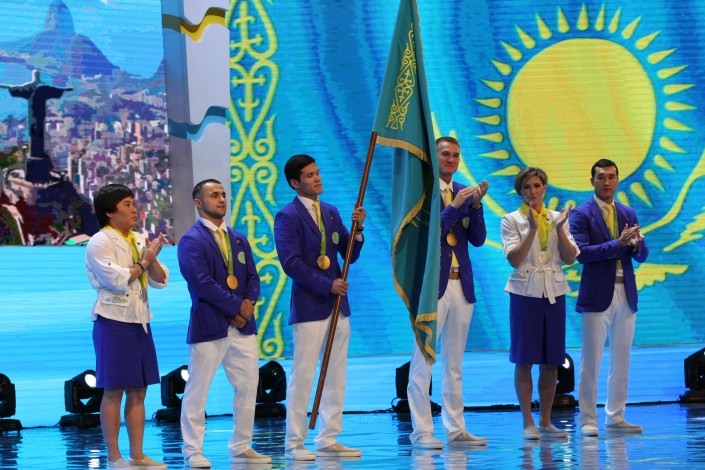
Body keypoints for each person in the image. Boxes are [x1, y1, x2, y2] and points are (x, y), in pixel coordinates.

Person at [273, 154, 366, 461]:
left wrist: (358, 230)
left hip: (338, 305)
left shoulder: (330, 211)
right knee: (303, 373)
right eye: (310, 175)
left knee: (336, 372)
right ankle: (294, 441)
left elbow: (349, 255)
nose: (317, 178)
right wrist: (328, 285)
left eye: (318, 172)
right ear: (294, 183)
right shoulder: (287, 216)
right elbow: (291, 263)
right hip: (311, 305)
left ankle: (329, 437)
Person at [177, 179, 270, 466]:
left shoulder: (238, 239)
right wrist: (235, 307)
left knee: (248, 386)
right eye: (214, 195)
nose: (221, 199)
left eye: (223, 194)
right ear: (198, 202)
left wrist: (248, 305)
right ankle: (193, 450)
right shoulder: (191, 240)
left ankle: (241, 445)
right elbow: (202, 282)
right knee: (198, 389)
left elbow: (253, 277)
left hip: (242, 326)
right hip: (210, 325)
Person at [407, 136, 489, 449]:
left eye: (455, 155)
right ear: (434, 156)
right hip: (432, 286)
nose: (451, 159)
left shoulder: (465, 191)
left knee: (454, 363)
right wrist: (454, 208)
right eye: (445, 154)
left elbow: (478, 239)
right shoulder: (421, 192)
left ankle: (456, 428)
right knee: (423, 359)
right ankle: (422, 431)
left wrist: (476, 205)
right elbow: (428, 236)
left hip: (461, 283)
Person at [85, 184, 168, 469]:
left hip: (140, 320)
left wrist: (151, 258)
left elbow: (160, 280)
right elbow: (116, 279)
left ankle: (138, 455)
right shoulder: (99, 241)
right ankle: (114, 457)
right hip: (113, 321)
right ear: (110, 212)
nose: (134, 209)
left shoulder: (138, 238)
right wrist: (143, 262)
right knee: (114, 390)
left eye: (133, 203)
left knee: (139, 389)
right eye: (127, 204)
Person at [569, 159, 648, 437]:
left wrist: (636, 245)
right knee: (591, 360)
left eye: (611, 176)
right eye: (601, 177)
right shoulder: (581, 213)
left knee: (622, 359)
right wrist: (619, 243)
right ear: (592, 181)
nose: (606, 182)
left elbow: (643, 255)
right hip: (597, 294)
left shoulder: (627, 212)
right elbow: (582, 253)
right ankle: (587, 419)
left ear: (618, 180)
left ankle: (616, 416)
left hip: (626, 291)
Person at [500, 167, 578, 439]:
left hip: (554, 292)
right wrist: (532, 230)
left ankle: (545, 421)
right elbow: (514, 260)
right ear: (520, 192)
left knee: (552, 360)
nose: (532, 192)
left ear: (544, 188)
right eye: (527, 187)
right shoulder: (511, 220)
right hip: (525, 293)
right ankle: (527, 423)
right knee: (524, 360)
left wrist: (560, 229)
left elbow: (570, 258)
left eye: (536, 186)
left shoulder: (558, 218)